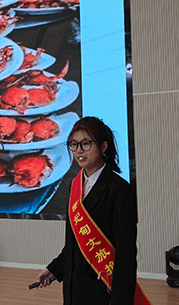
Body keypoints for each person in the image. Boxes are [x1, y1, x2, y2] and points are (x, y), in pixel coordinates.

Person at [35, 116, 139, 305]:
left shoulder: (119, 189)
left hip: (101, 288)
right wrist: (56, 269)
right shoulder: (75, 185)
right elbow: (76, 241)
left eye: (86, 144)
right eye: (74, 145)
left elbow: (126, 253)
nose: (78, 151)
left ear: (103, 147)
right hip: (74, 286)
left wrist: (121, 300)